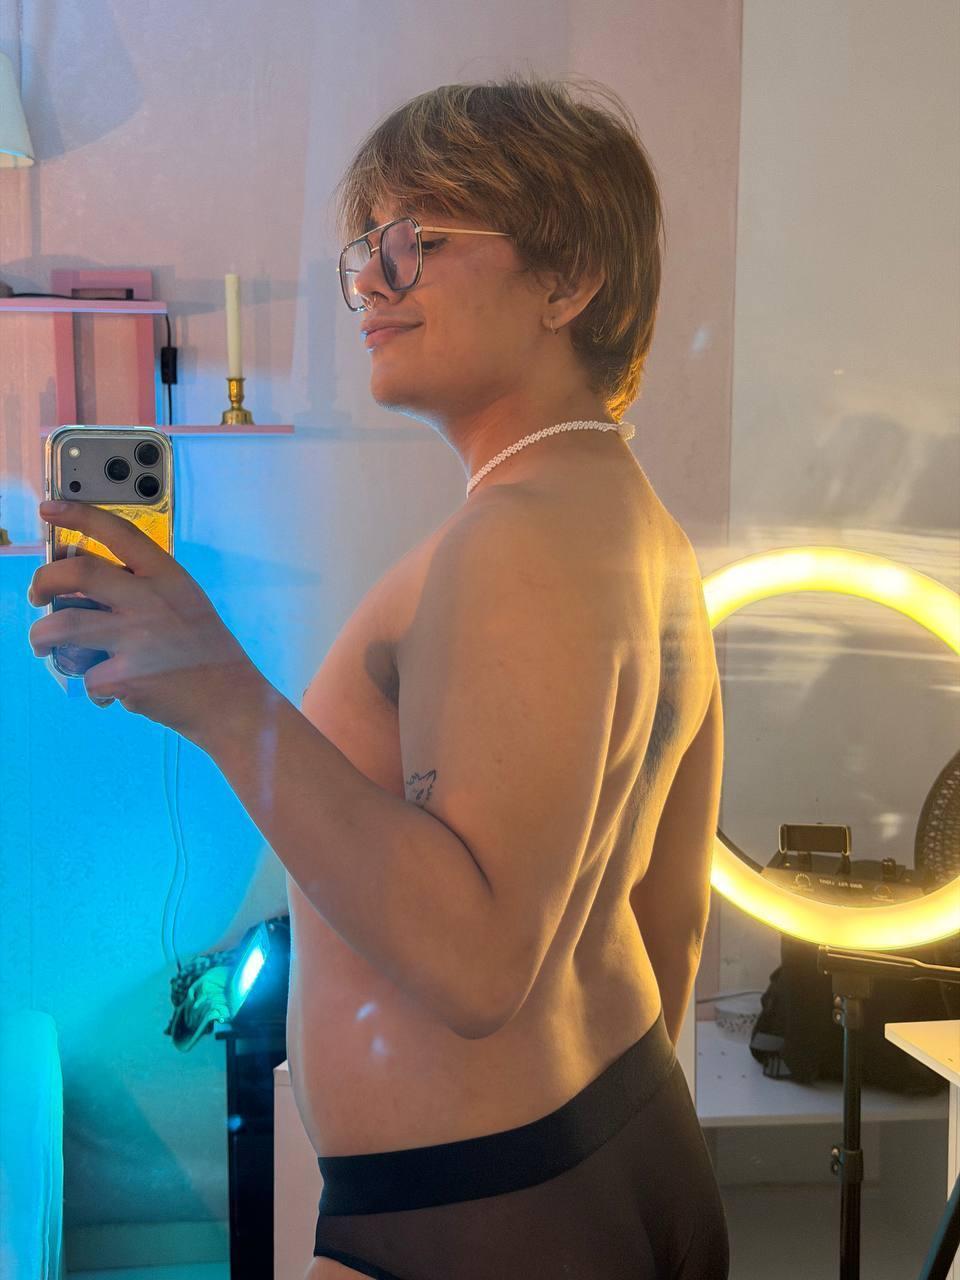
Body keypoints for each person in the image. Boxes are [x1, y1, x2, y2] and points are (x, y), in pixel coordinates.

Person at [298, 72, 729, 1278]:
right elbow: (673, 919)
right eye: (363, 253)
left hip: (475, 1207)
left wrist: (212, 690)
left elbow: (478, 964)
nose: (372, 283)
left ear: (567, 278)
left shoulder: (514, 535)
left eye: (414, 241)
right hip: (620, 1132)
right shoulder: (644, 532)